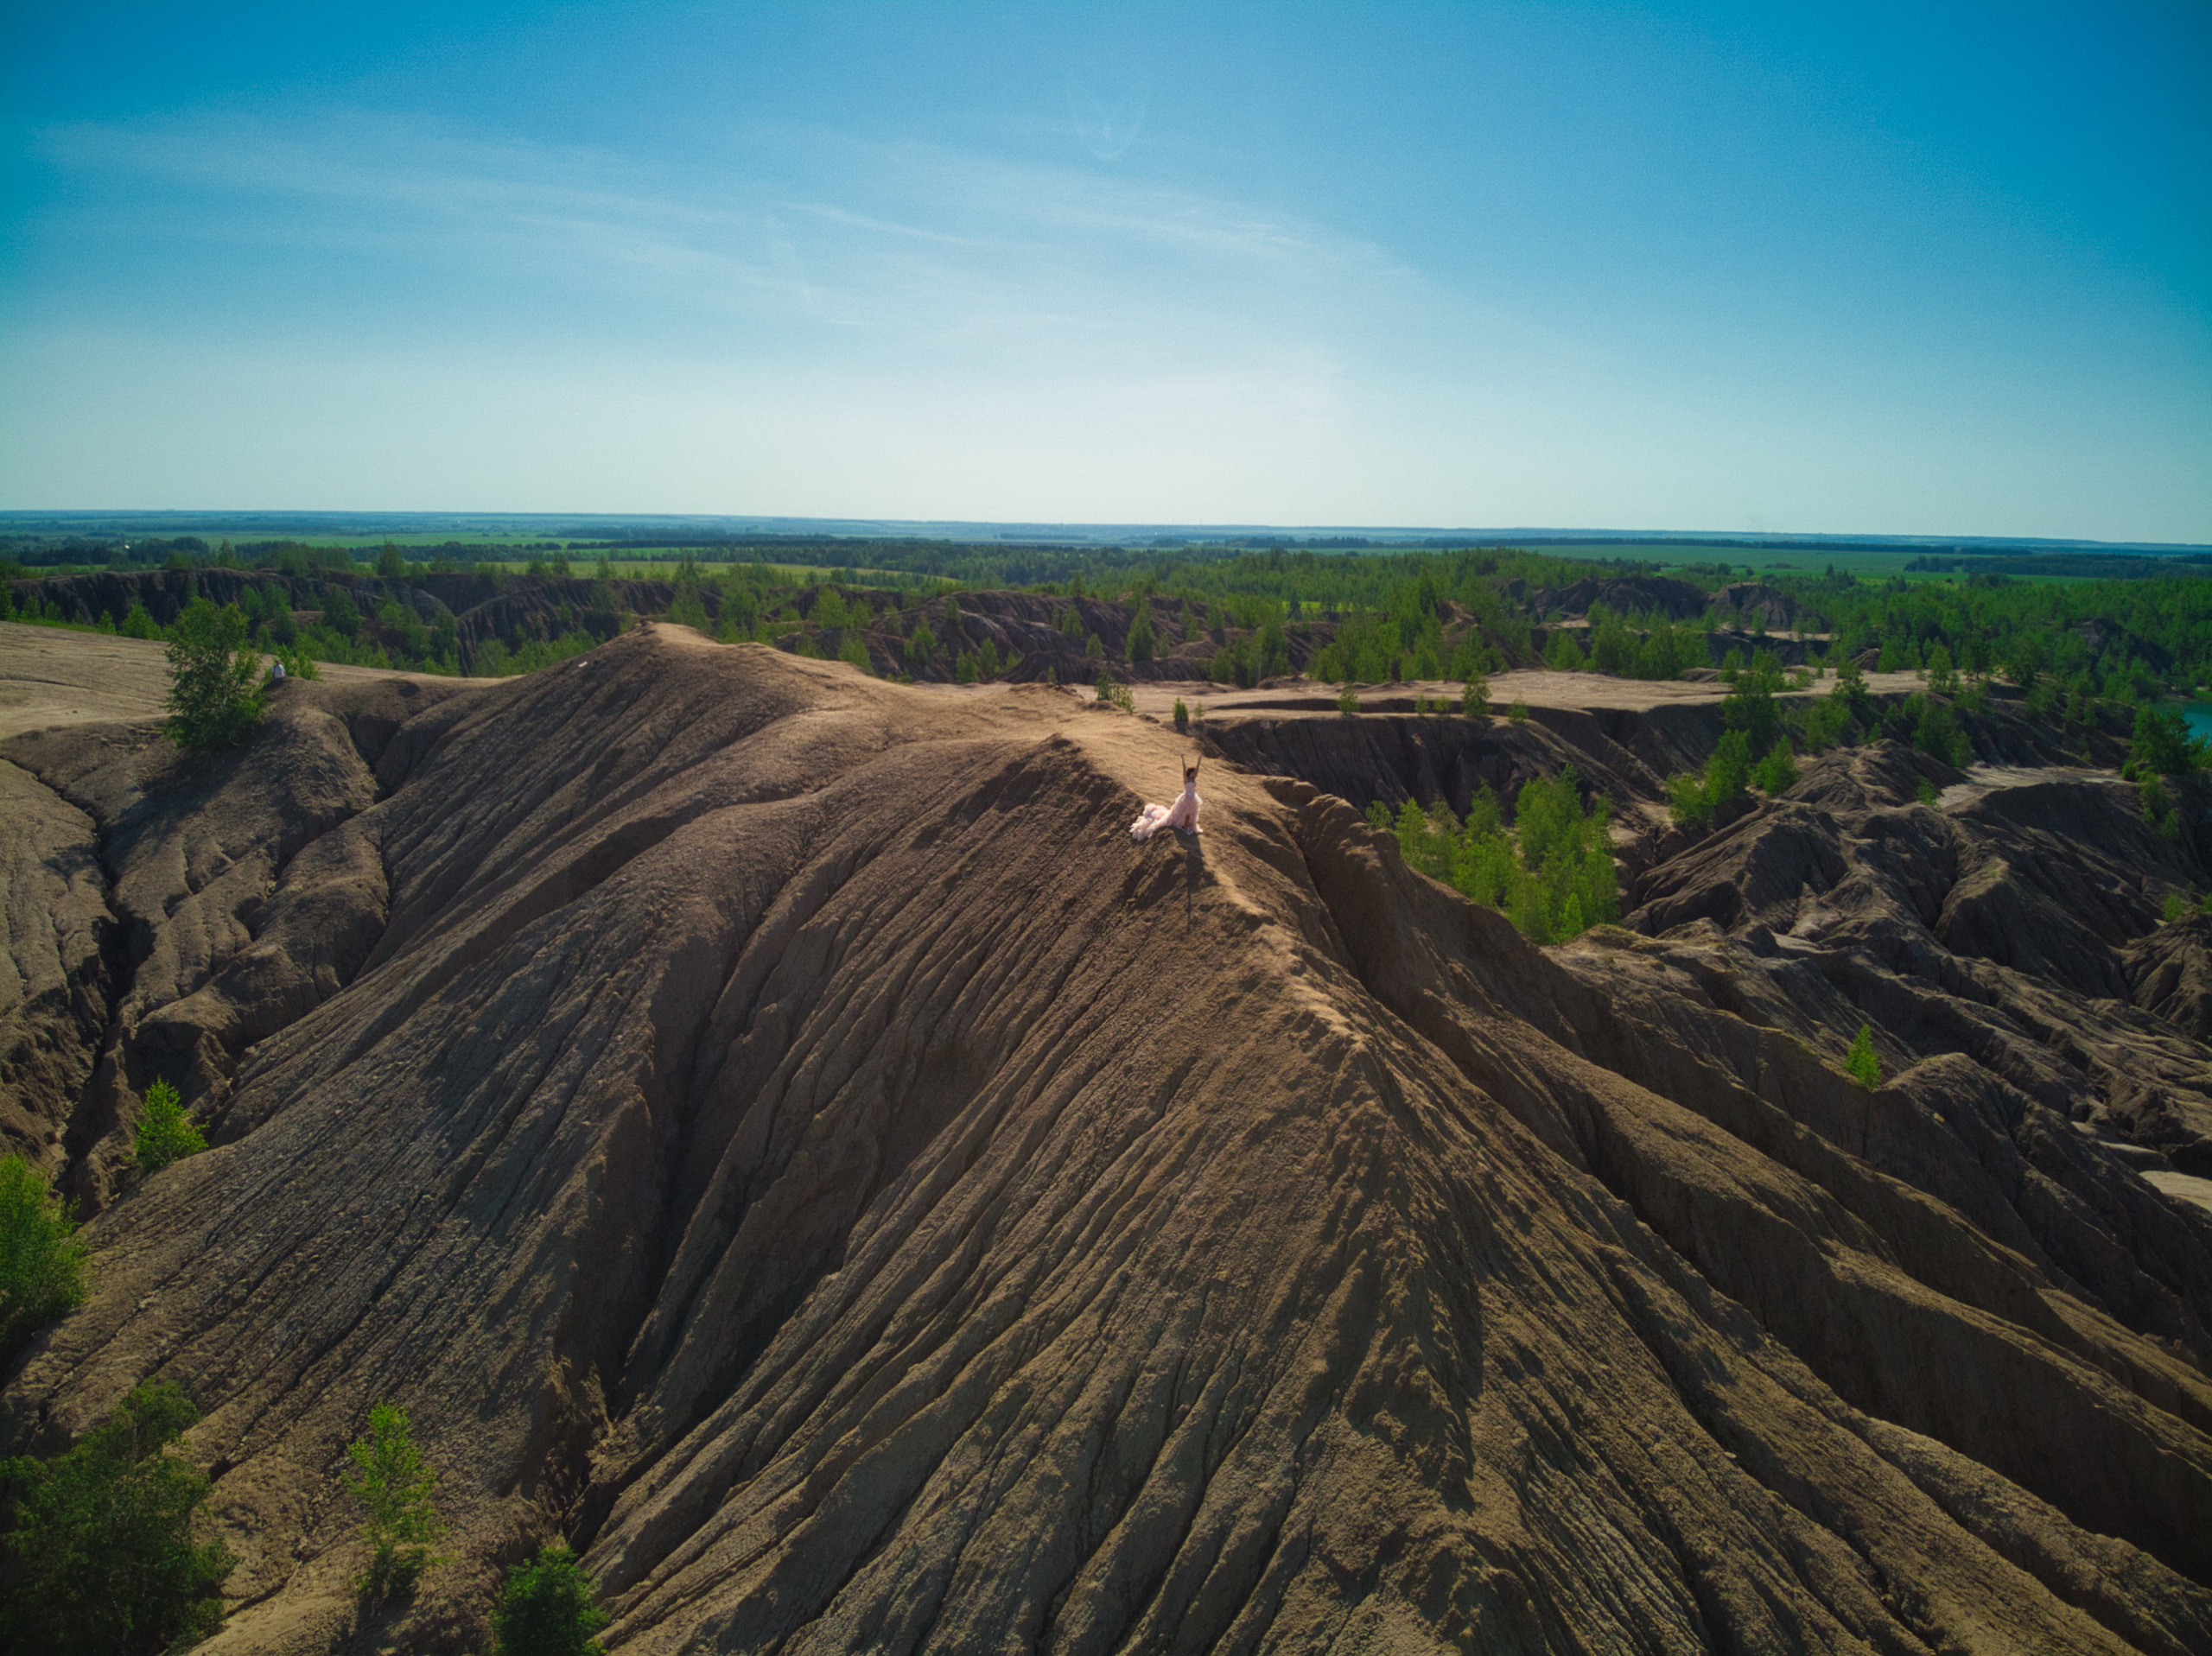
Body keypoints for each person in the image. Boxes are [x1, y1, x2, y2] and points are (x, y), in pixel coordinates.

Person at [1130, 756, 1202, 841]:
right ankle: (1185, 826)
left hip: (1193, 798)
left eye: (1194, 773)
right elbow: (1184, 771)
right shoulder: (1186, 780)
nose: (1194, 774)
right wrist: (1183, 761)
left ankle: (1186, 826)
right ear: (1190, 773)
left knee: (1190, 813)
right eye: (1193, 772)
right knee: (1184, 812)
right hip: (1186, 798)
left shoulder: (1194, 778)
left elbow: (1197, 771)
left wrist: (1199, 761)